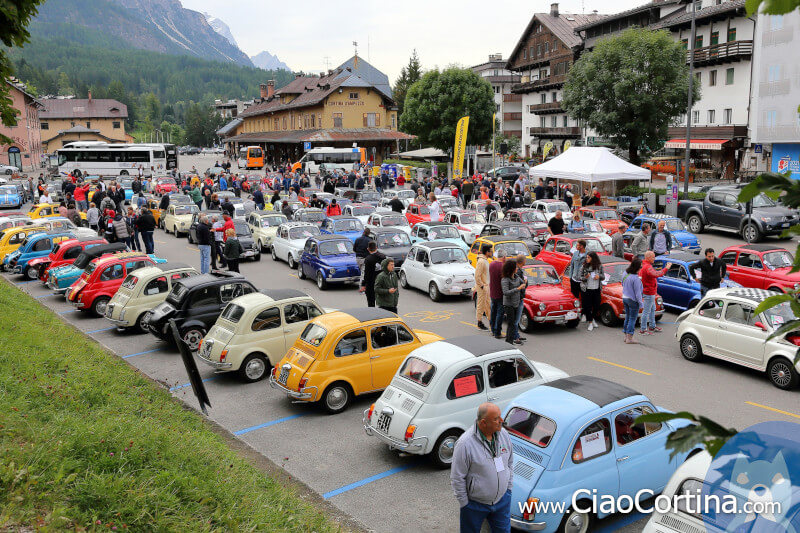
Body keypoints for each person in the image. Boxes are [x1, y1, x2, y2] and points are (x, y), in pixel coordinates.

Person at [451, 403, 513, 533]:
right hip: (475, 505)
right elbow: (457, 477)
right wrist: (465, 504)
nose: (501, 421)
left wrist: (508, 489)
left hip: (502, 500)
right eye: (496, 419)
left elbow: (510, 462)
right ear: (484, 423)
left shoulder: (504, 434)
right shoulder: (465, 444)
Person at [640, 251, 670, 335]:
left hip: (650, 292)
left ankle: (652, 326)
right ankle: (643, 329)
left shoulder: (645, 266)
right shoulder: (648, 267)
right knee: (646, 311)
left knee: (652, 309)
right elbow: (656, 274)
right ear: (648, 258)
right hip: (649, 292)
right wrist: (666, 268)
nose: (654, 259)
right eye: (653, 257)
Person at [501, 260, 524, 345]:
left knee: (514, 323)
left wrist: (525, 283)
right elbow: (505, 292)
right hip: (509, 304)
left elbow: (523, 284)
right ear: (511, 269)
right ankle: (509, 342)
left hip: (516, 303)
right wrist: (518, 289)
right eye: (515, 267)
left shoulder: (516, 277)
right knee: (511, 324)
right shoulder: (505, 279)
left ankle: (510, 340)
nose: (517, 268)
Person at [621, 258, 644, 344]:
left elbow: (622, 283)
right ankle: (629, 337)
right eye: (640, 267)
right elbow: (638, 294)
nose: (641, 268)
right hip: (633, 300)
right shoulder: (636, 279)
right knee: (632, 318)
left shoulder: (625, 274)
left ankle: (625, 335)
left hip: (625, 297)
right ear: (637, 267)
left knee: (627, 316)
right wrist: (641, 304)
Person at [580, 252, 604, 331]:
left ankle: (592, 319)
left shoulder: (599, 266)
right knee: (588, 307)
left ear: (593, 258)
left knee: (597, 306)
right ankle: (590, 322)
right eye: (586, 257)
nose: (587, 259)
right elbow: (580, 277)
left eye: (589, 257)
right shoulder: (584, 267)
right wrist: (585, 277)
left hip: (596, 289)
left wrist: (599, 276)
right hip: (587, 289)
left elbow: (603, 277)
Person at [360, 241, 386, 307]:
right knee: (382, 302)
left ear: (368, 249)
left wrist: (363, 284)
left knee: (371, 302)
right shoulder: (383, 257)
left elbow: (366, 274)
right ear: (376, 248)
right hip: (382, 282)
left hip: (371, 284)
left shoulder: (368, 259)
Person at [488, 249, 507, 339]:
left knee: (493, 312)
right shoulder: (503, 266)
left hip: (493, 292)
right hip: (500, 293)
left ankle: (492, 329)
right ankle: (497, 332)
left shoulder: (491, 264)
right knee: (500, 313)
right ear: (503, 257)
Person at [474, 244, 491, 330]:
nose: (492, 253)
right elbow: (477, 276)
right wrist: (482, 286)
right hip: (483, 287)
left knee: (488, 305)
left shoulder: (485, 260)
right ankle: (479, 323)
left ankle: (490, 321)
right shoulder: (481, 261)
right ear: (487, 252)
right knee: (481, 305)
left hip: (486, 286)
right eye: (491, 251)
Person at [565, 239, 587, 304]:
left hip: (582, 281)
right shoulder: (575, 253)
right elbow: (572, 265)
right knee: (574, 298)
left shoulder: (587, 255)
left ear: (582, 246)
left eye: (577, 245)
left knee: (584, 298)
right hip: (574, 279)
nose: (576, 247)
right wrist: (571, 277)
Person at [513, 254, 528, 343]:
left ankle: (517, 335)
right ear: (522, 261)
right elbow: (520, 285)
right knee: (516, 319)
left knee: (517, 319)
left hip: (519, 298)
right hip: (518, 298)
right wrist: (525, 282)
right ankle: (515, 337)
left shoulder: (518, 270)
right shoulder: (518, 271)